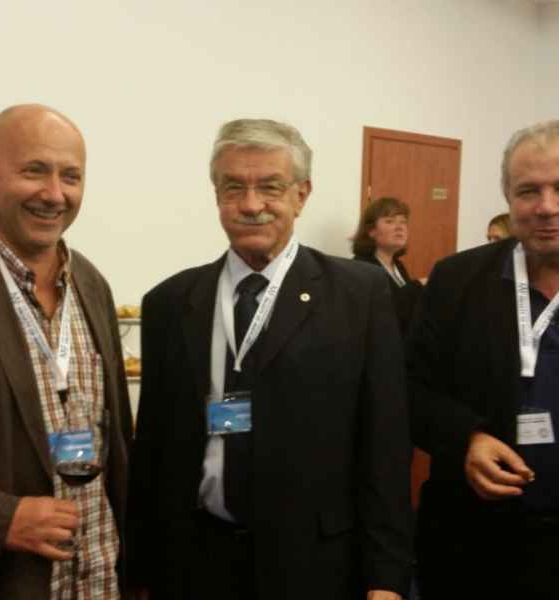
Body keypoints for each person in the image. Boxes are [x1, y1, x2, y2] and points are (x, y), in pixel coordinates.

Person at [127, 119, 413, 600]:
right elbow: (153, 446)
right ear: (216, 195)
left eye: (270, 187)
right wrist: (139, 569)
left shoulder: (358, 296)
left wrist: (386, 577)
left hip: (315, 565)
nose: (251, 204)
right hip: (195, 562)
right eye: (233, 187)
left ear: (301, 195)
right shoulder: (170, 302)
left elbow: (385, 442)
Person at [0, 104, 133, 599]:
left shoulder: (91, 284)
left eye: (70, 176)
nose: (55, 194)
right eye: (34, 171)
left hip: (99, 582)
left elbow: (116, 445)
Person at [407, 119, 559, 600]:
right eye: (528, 190)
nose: (547, 206)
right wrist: (465, 438)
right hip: (472, 541)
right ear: (508, 198)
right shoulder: (456, 281)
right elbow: (409, 388)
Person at [352, 196, 424, 336]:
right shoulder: (361, 267)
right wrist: (418, 286)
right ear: (371, 231)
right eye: (390, 221)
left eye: (403, 222)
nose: (400, 227)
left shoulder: (398, 266)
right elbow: (383, 311)